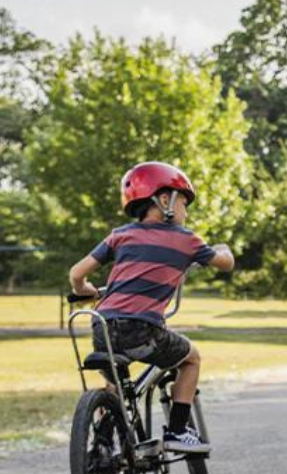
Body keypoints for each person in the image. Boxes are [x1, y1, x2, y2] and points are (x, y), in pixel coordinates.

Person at [68, 161, 234, 453]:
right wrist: (224, 249)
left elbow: (76, 274)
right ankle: (178, 431)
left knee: (115, 385)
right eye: (184, 203)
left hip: (102, 326)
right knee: (191, 359)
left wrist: (86, 291)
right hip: (142, 330)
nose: (186, 212)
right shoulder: (187, 240)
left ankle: (102, 445)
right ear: (165, 200)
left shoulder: (120, 235)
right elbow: (225, 264)